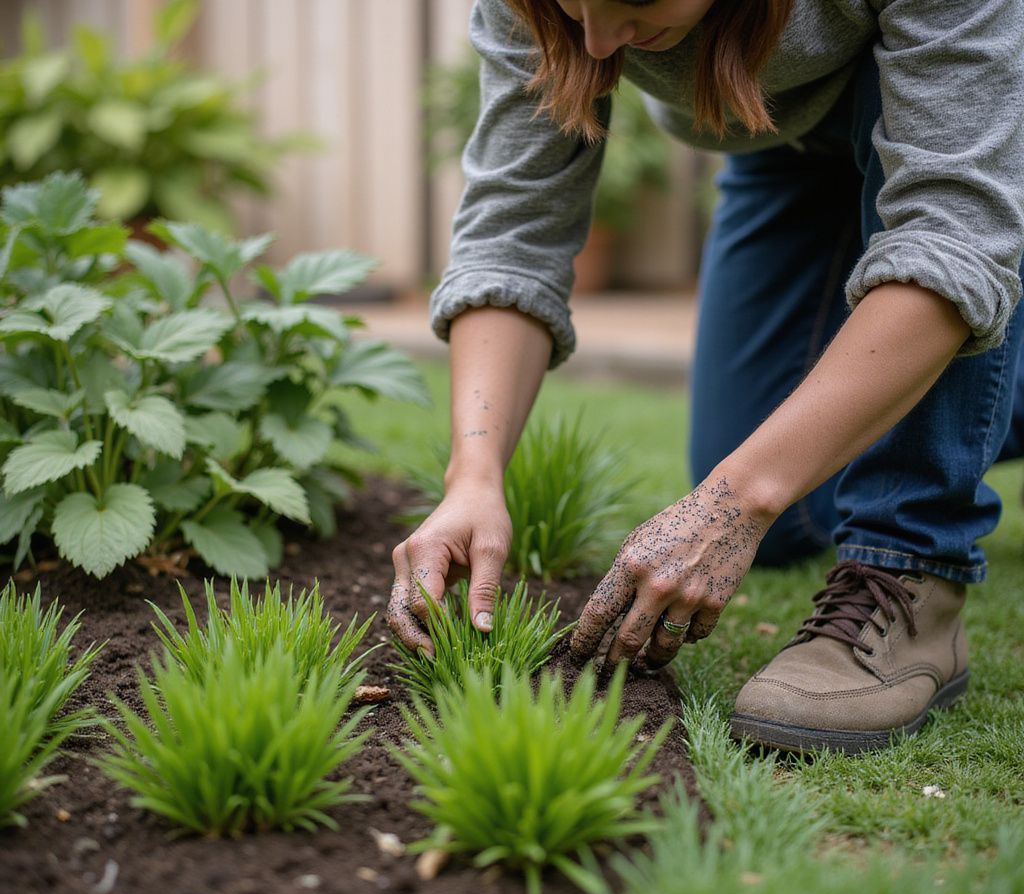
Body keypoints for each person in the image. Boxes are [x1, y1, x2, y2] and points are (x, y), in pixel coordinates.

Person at [387, 0, 1024, 753]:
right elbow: (512, 231)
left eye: (634, 1)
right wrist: (474, 477)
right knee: (787, 517)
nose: (596, 40)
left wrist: (735, 500)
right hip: (777, 143)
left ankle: (910, 565)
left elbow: (951, 237)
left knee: (764, 481)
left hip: (953, 126)